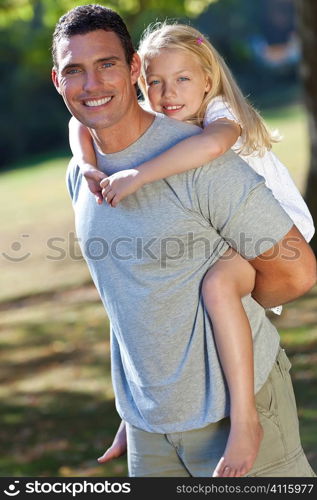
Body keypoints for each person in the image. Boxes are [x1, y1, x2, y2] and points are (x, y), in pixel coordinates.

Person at [52, 4, 316, 477]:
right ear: (58, 81)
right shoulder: (81, 173)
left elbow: (297, 271)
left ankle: (248, 419)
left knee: (221, 286)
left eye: (107, 64)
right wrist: (134, 405)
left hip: (234, 413)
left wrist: (243, 296)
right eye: (75, 71)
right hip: (148, 425)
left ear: (132, 68)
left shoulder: (202, 153)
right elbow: (127, 293)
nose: (92, 84)